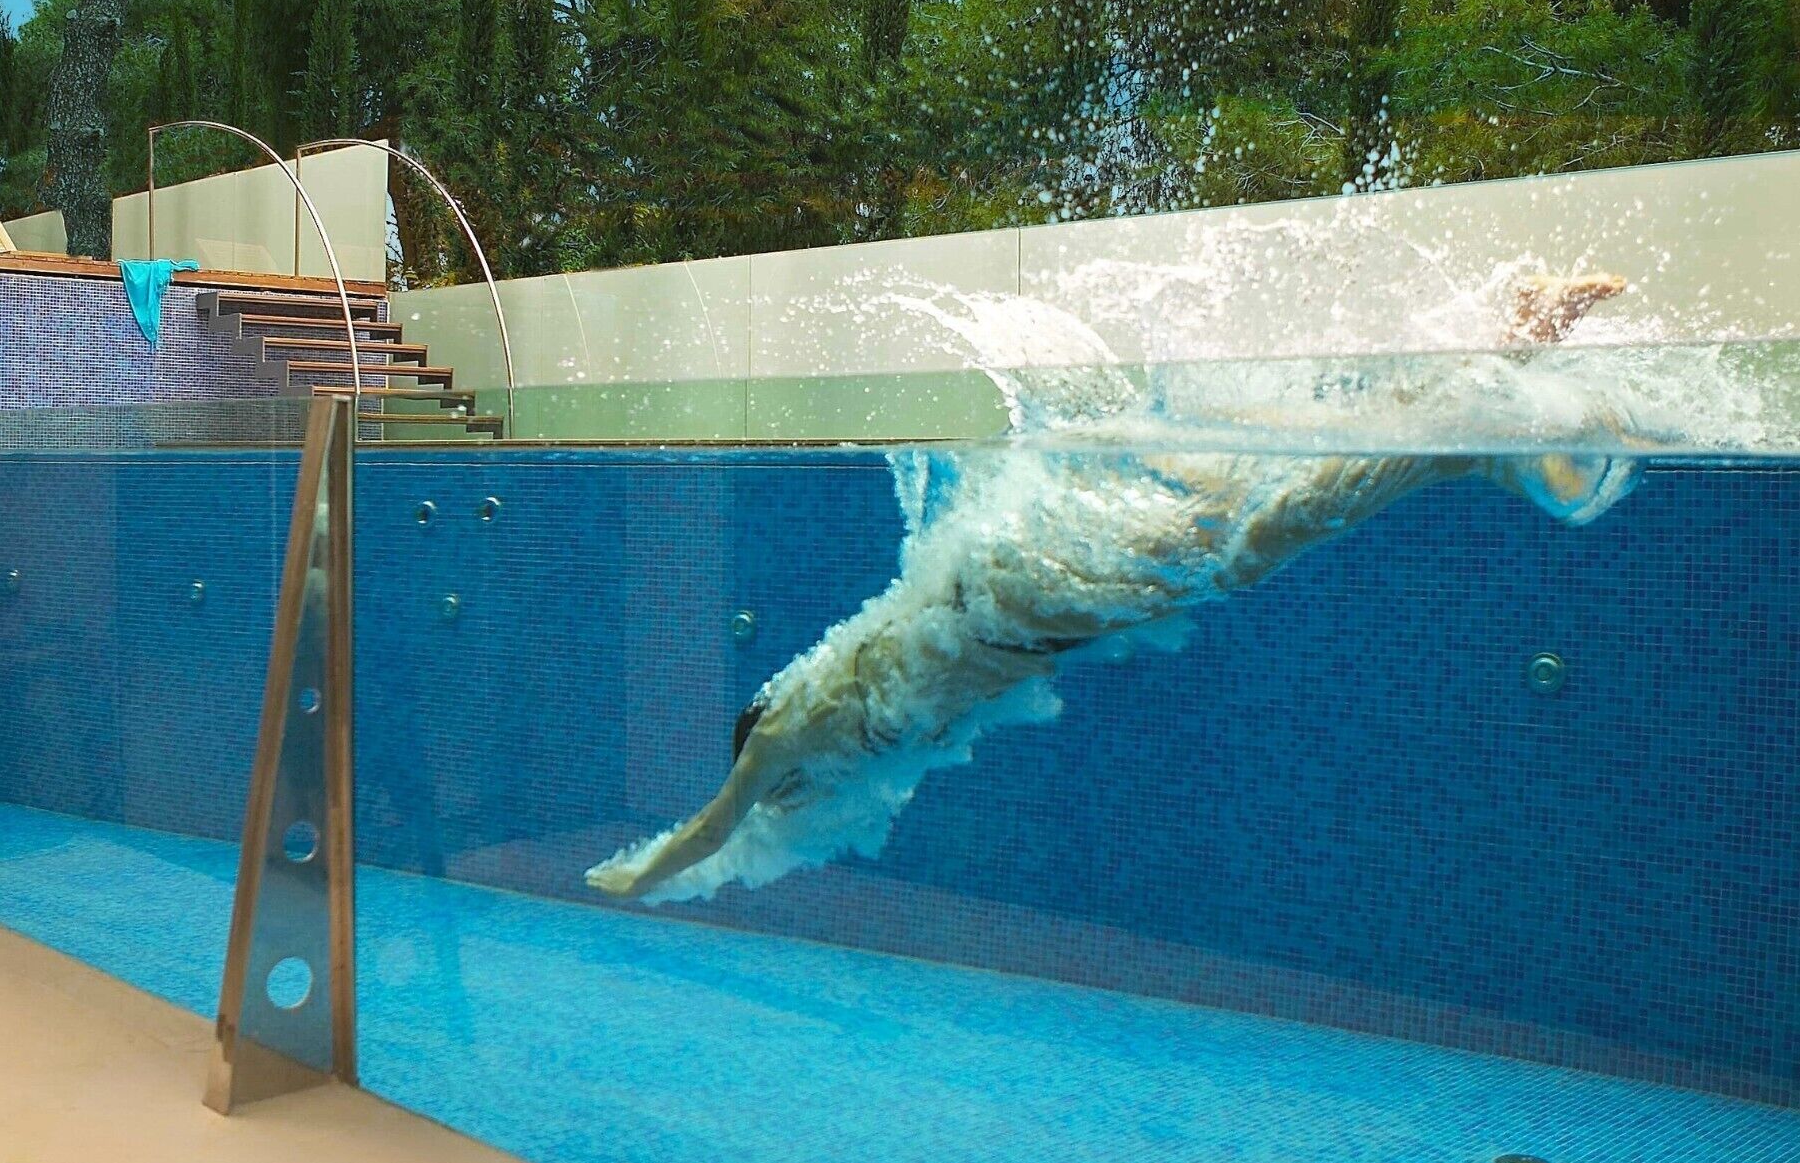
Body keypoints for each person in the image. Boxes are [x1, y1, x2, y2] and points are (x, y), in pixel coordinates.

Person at [588, 272, 1630, 907]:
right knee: (1239, 506)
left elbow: (718, 826)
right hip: (1022, 601)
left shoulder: (790, 739)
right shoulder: (840, 744)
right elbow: (752, 839)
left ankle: (1473, 420)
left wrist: (637, 873)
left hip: (1017, 597)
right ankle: (1477, 384)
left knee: (1240, 544)